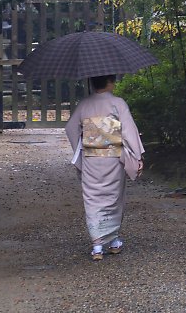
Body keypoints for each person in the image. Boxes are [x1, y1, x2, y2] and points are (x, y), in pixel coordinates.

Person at [65, 74, 144, 261]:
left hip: (91, 158)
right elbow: (129, 130)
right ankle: (114, 240)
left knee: (92, 199)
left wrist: (82, 147)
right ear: (109, 82)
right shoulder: (118, 103)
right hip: (113, 158)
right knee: (113, 197)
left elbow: (70, 127)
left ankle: (97, 245)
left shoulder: (84, 104)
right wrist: (137, 155)